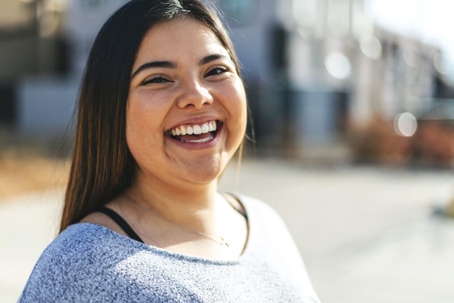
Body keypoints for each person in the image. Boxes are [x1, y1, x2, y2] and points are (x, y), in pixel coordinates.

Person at [19, 0, 321, 302]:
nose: (198, 96)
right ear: (111, 108)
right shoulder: (82, 263)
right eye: (159, 79)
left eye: (215, 70)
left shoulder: (266, 224)